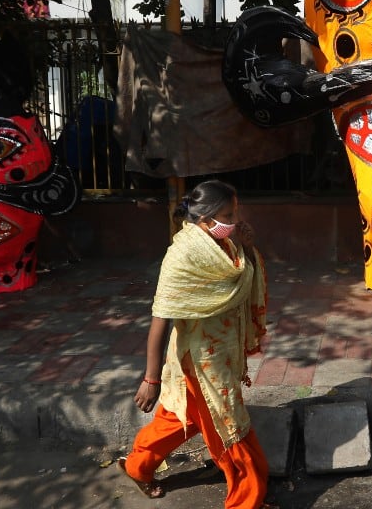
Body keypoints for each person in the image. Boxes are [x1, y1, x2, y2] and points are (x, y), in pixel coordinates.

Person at [119, 180, 274, 508]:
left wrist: (246, 247)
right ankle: (247, 502)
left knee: (178, 420)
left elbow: (242, 279)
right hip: (200, 362)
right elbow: (160, 318)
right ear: (204, 220)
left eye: (235, 212)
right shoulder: (182, 255)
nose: (234, 220)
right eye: (227, 215)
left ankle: (137, 467)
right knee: (232, 427)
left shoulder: (227, 245)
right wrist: (151, 379)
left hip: (223, 353)